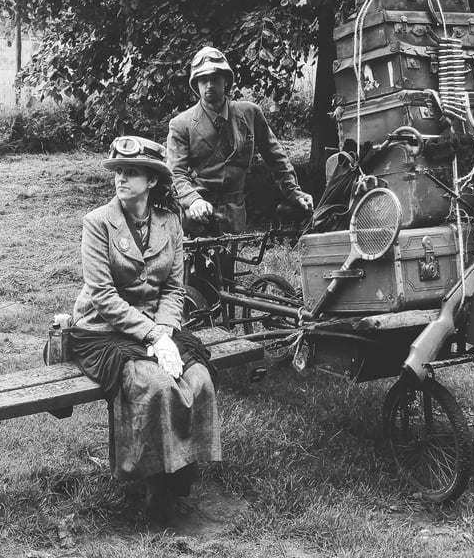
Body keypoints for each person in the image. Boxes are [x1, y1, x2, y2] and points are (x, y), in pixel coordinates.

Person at [69, 136, 221, 523]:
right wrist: (153, 335)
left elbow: (173, 288)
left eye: (131, 171)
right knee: (154, 383)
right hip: (104, 330)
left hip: (158, 324)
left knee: (199, 377)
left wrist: (167, 331)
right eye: (118, 170)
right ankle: (155, 485)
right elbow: (102, 295)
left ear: (152, 181)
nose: (121, 178)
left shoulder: (170, 223)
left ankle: (180, 473)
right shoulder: (98, 222)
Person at [167, 44, 313, 238]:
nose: (209, 85)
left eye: (214, 78)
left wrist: (294, 192)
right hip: (197, 214)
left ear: (226, 80)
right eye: (203, 80)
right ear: (196, 84)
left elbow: (276, 158)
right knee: (195, 266)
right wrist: (193, 200)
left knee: (227, 266)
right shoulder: (181, 124)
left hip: (234, 213)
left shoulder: (250, 113)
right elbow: (175, 173)